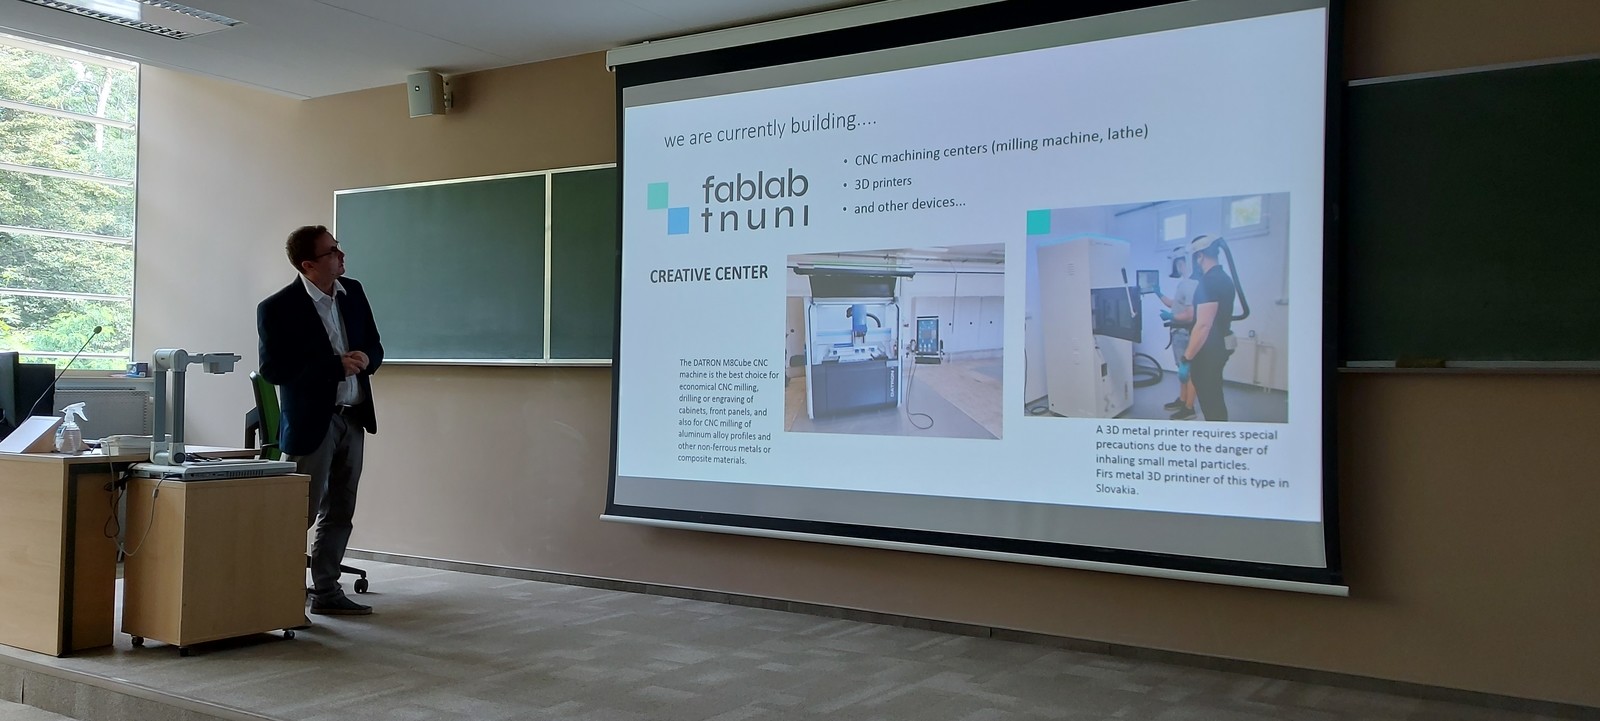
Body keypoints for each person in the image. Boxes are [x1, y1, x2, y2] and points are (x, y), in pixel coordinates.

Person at [257, 225, 384, 616]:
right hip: (312, 421)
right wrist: (332, 367)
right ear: (308, 265)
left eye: (337, 248)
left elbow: (375, 344)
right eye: (331, 251)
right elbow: (274, 369)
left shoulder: (353, 292)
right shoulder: (278, 307)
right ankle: (279, 592)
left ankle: (327, 591)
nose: (340, 256)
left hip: (353, 416)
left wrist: (367, 359)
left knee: (340, 509)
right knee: (300, 512)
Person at [1178, 234, 1236, 422]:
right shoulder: (1224, 278)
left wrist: (1186, 358)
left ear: (1200, 256)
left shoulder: (1209, 281)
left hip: (1209, 350)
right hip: (1220, 346)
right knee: (1215, 394)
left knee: (1210, 399)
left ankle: (1216, 433)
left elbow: (1203, 325)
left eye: (1195, 258)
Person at [1152, 249, 1200, 420]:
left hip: (1185, 333)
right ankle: (1182, 400)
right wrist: (1158, 293)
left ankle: (1189, 408)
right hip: (1180, 333)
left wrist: (1171, 317)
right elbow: (1175, 304)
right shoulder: (1187, 283)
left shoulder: (1189, 284)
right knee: (1182, 371)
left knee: (1190, 372)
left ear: (1181, 263)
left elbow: (1190, 314)